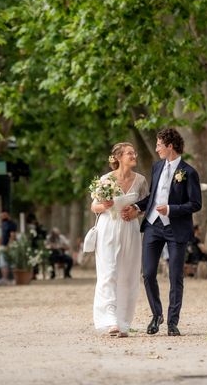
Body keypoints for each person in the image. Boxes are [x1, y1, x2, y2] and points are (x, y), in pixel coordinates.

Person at [123, 128, 202, 337]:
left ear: (170, 146)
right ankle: (156, 314)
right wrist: (138, 208)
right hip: (152, 226)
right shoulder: (157, 167)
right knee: (148, 274)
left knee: (176, 277)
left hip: (176, 228)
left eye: (159, 145)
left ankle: (172, 322)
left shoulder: (189, 172)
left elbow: (195, 204)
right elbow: (152, 198)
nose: (156, 148)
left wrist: (171, 210)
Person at [91, 142, 148, 338]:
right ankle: (109, 319)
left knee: (129, 274)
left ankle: (123, 321)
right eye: (129, 153)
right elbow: (94, 207)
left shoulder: (140, 180)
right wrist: (106, 205)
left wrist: (136, 213)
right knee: (108, 272)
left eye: (134, 152)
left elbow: (146, 205)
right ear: (118, 157)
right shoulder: (106, 179)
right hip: (108, 228)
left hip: (130, 229)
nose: (134, 156)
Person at [0, 211, 17, 285]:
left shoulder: (11, 224)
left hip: (9, 246)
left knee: (12, 263)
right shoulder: (3, 224)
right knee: (3, 263)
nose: (2, 216)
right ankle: (4, 279)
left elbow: (12, 235)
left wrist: (9, 245)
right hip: (3, 246)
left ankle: (15, 279)